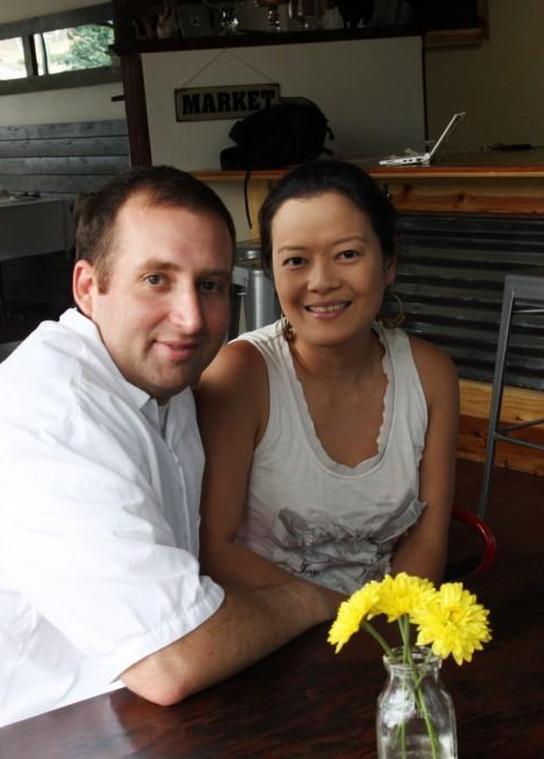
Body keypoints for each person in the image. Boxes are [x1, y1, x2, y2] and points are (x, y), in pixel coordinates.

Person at [0, 167, 339, 758]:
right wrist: (312, 598)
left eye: (211, 285)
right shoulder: (53, 418)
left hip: (85, 710)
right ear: (87, 286)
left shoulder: (159, 384)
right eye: (156, 279)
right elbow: (172, 661)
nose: (192, 318)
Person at [196, 160, 459, 597]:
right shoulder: (242, 376)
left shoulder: (431, 376)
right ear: (272, 273)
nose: (321, 282)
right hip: (270, 625)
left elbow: (428, 539)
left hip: (388, 629)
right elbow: (216, 550)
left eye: (348, 255)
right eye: (296, 261)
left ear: (388, 263)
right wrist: (345, 620)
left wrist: (389, 635)